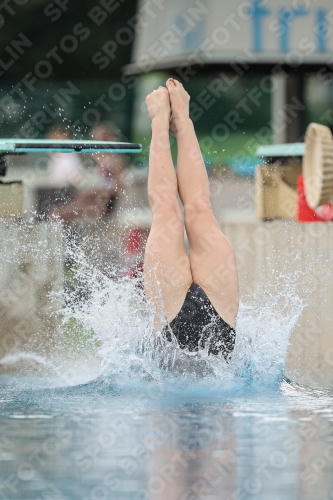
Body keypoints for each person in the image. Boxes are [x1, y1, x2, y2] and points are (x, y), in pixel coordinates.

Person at [144, 79, 239, 361]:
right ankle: (182, 120)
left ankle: (160, 122)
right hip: (217, 315)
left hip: (179, 318)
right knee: (199, 207)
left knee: (166, 208)